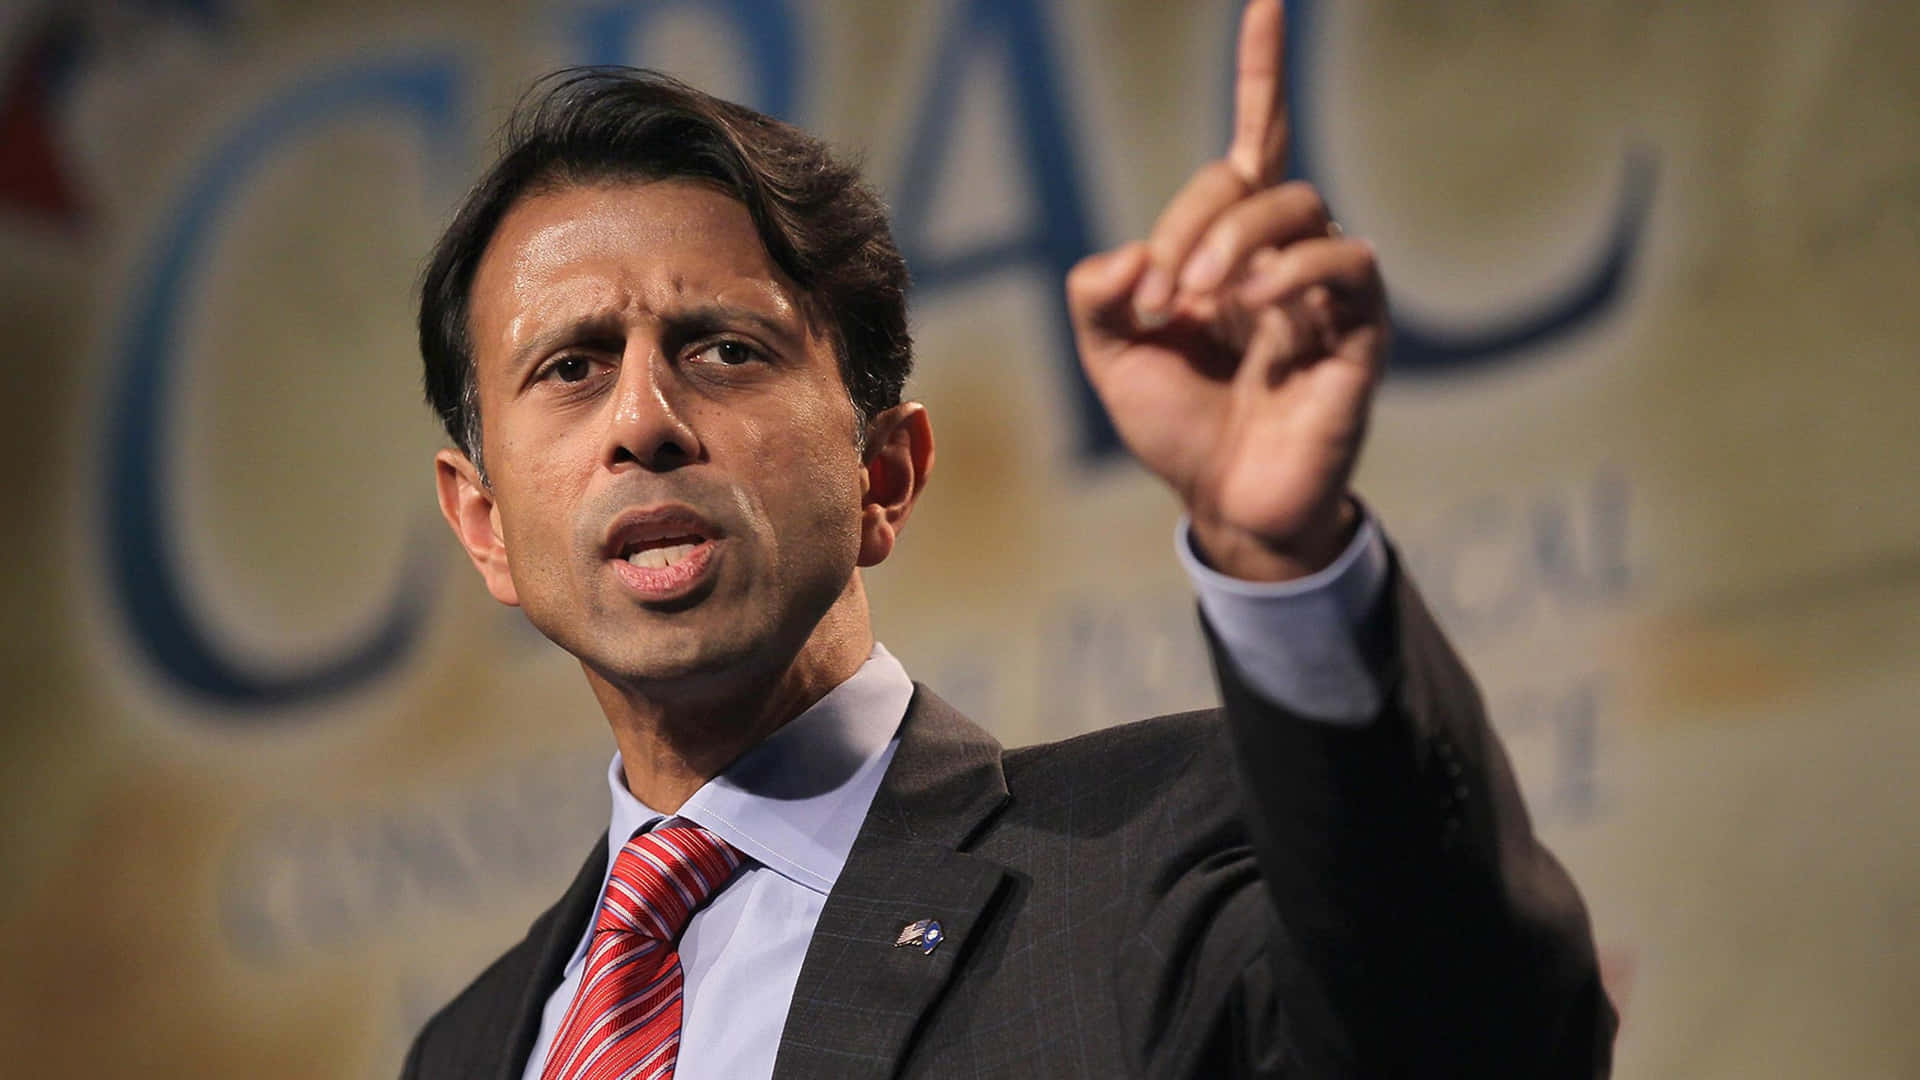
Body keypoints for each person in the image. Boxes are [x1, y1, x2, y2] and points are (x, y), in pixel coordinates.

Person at [403, 3, 1614, 1076]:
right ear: (485, 525)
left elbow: (1474, 1042)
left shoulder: (1158, 857)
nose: (644, 422)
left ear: (885, 473)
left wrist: (1284, 559)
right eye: (571, 367)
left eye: (726, 349)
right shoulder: (468, 1046)